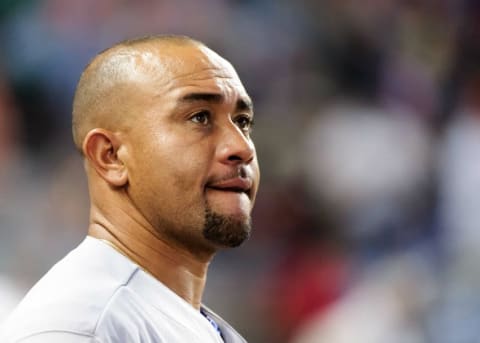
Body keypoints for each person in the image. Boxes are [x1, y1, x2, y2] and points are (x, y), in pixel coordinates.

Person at [0, 34, 260, 343]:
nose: (241, 147)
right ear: (110, 156)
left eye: (242, 121)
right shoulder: (80, 328)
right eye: (199, 117)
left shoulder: (154, 315)